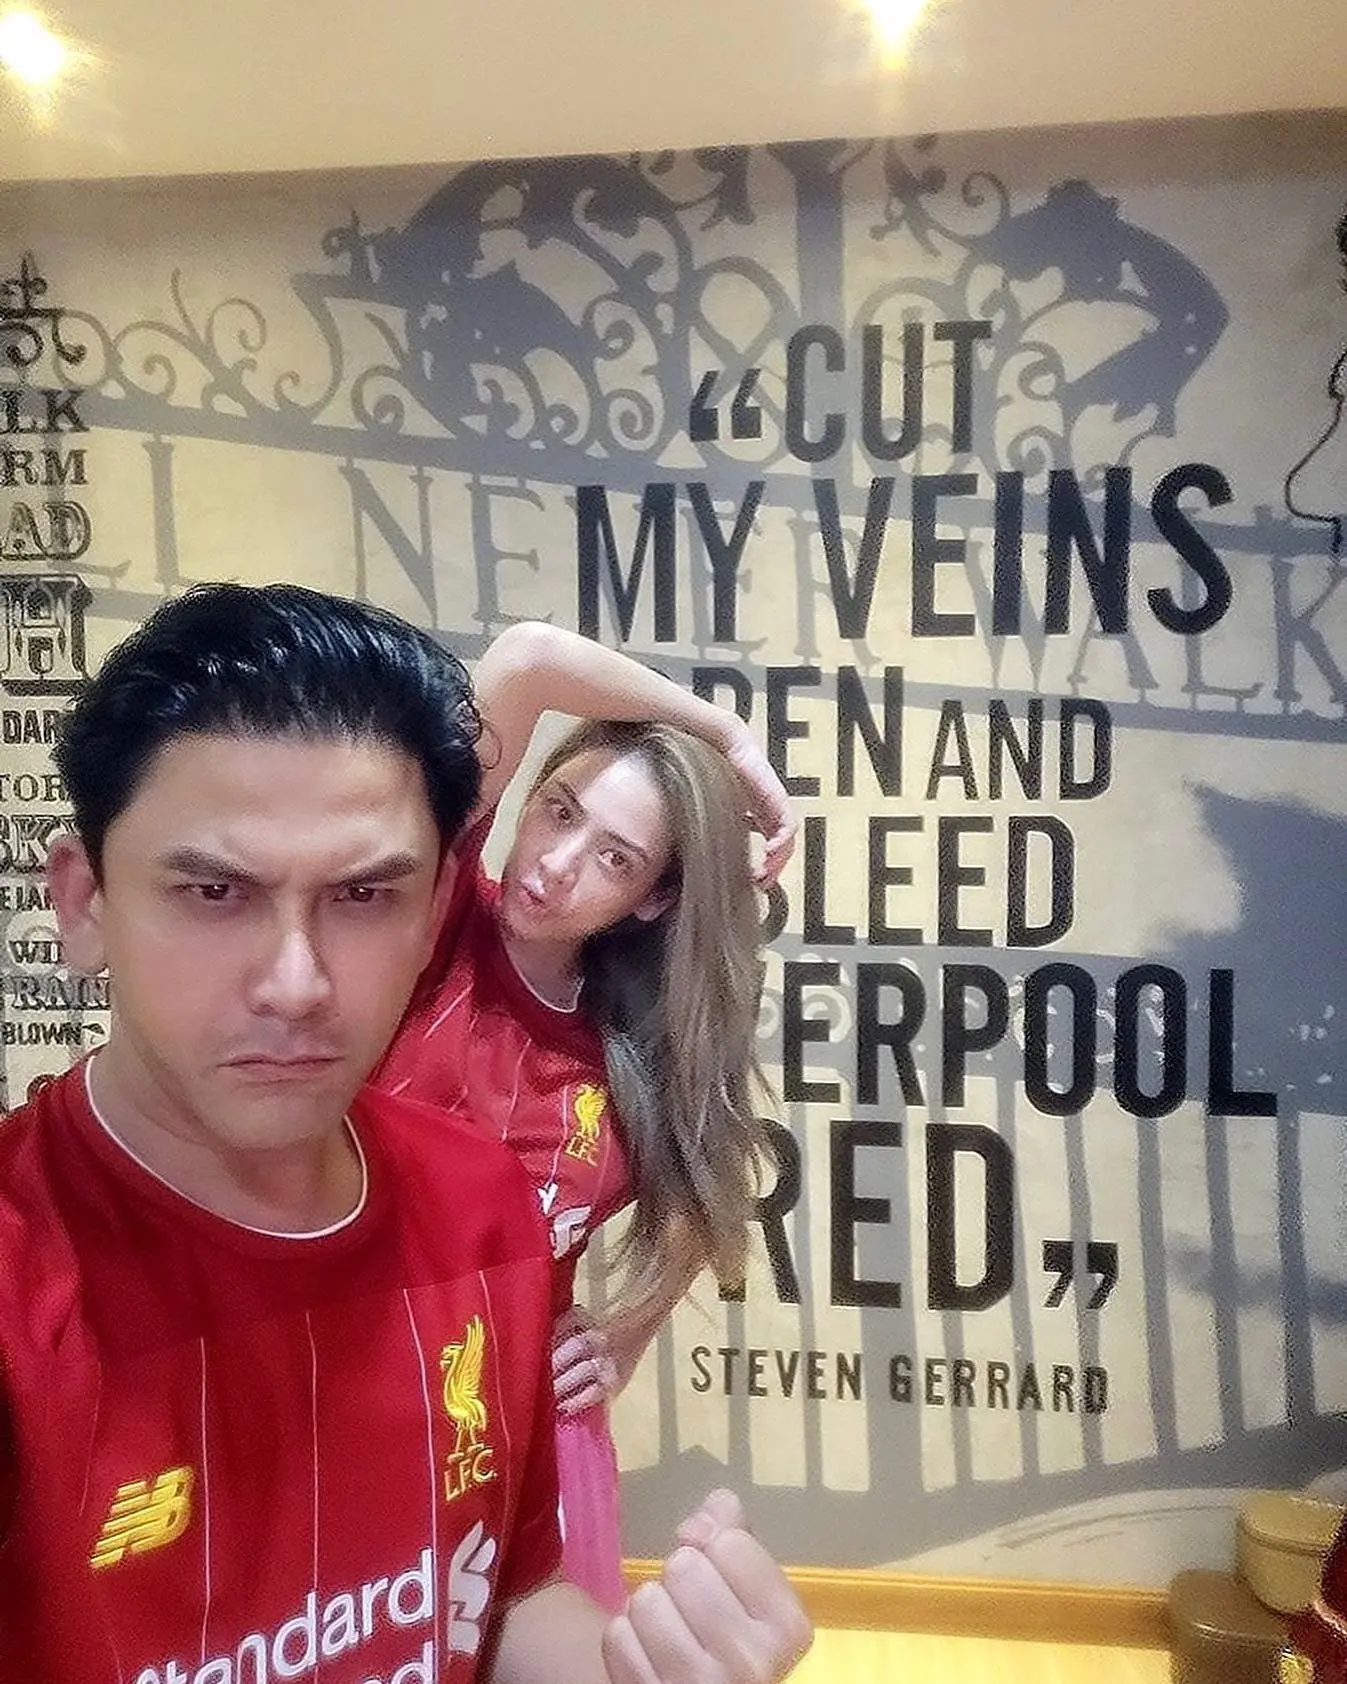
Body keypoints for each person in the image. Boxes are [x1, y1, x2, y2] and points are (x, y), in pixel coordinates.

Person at [0, 582, 812, 1684]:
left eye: (362, 897)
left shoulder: (484, 1209)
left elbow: (499, 1601)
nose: (295, 984)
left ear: (429, 908)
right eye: (214, 891)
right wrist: (728, 732)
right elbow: (525, 660)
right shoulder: (27, 1292)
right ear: (84, 902)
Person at [375, 621, 795, 1611]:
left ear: (652, 899)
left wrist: (625, 1336)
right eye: (558, 810)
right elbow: (525, 661)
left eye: (614, 857)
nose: (558, 863)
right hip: (353, 1390)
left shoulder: (630, 1044)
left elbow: (708, 1187)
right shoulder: (431, 918)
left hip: (526, 1426)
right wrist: (726, 734)